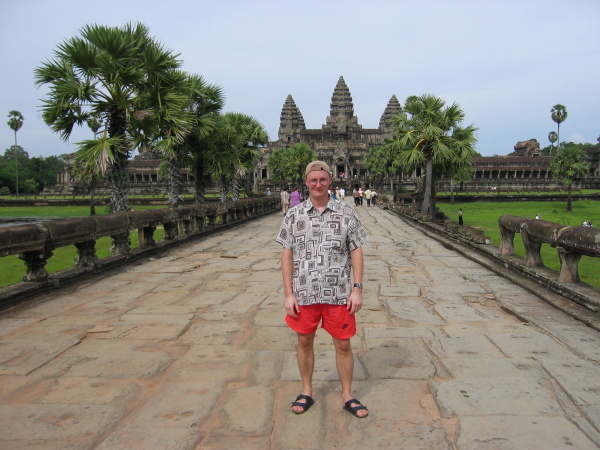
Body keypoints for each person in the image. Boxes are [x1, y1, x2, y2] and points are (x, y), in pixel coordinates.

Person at [276, 160, 369, 419]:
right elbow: (286, 255)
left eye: (323, 180)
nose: (318, 184)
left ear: (331, 181)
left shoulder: (346, 212)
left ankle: (347, 395)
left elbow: (357, 250)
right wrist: (288, 294)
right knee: (304, 341)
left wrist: (357, 289)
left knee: (343, 344)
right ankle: (307, 390)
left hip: (338, 292)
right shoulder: (294, 215)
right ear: (306, 183)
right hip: (304, 291)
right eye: (313, 180)